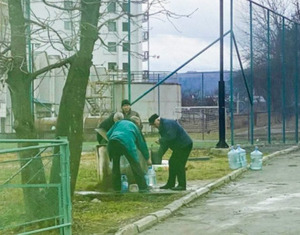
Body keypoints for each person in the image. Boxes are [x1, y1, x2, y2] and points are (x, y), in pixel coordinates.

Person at [107, 113, 151, 192]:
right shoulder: (135, 127)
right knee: (135, 165)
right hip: (126, 143)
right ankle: (143, 187)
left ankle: (116, 188)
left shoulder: (119, 122)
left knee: (115, 166)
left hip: (112, 143)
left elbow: (108, 134)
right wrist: (147, 158)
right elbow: (142, 144)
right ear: (137, 123)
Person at [148, 113, 193, 191]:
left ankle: (182, 185)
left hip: (184, 145)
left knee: (179, 164)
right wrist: (159, 155)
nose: (154, 126)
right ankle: (170, 183)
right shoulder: (162, 127)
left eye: (153, 124)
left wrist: (160, 140)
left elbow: (171, 136)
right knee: (172, 162)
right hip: (179, 146)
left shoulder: (168, 124)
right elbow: (166, 143)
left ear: (157, 120)